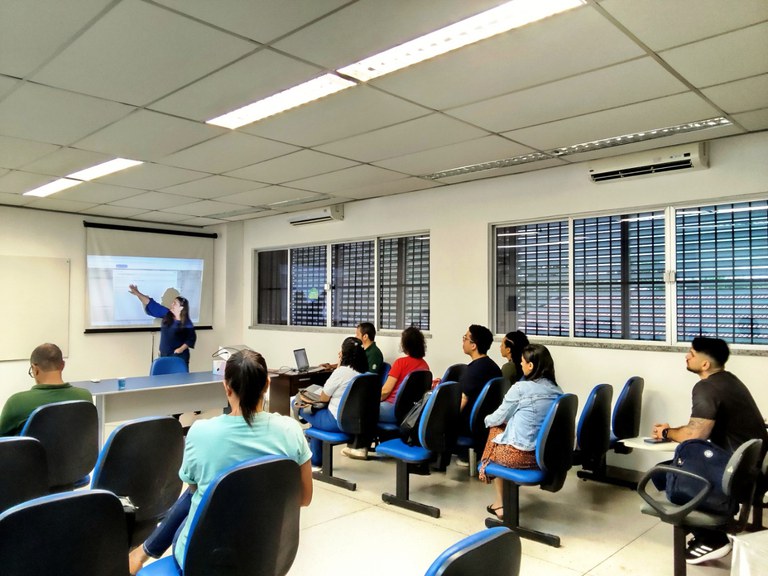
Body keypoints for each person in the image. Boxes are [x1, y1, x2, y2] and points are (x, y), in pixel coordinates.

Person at [128, 349, 312, 574]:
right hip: (266, 553)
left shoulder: (201, 432)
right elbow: (304, 498)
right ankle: (143, 551)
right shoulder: (291, 430)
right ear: (267, 384)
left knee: (196, 493)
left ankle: (142, 552)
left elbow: (195, 491)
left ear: (226, 387)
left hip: (204, 559)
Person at [651, 337, 768, 565]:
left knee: (661, 473)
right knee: (668, 469)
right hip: (751, 471)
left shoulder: (706, 386)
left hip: (735, 475)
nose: (686, 356)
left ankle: (712, 538)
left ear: (705, 365)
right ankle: (712, 528)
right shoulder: (729, 381)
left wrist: (666, 433)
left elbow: (695, 435)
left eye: (692, 353)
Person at [479, 344, 562, 521]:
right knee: (502, 431)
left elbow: (496, 418)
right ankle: (500, 499)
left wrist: (483, 420)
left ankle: (500, 502)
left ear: (530, 366)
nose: (521, 365)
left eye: (522, 362)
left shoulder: (520, 388)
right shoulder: (557, 391)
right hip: (543, 456)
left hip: (519, 457)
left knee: (495, 429)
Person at [294, 337, 369, 467]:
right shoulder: (365, 374)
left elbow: (323, 398)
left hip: (335, 421)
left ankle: (314, 457)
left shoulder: (341, 372)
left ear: (345, 354)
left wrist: (339, 366)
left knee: (297, 403)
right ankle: (313, 448)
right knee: (317, 412)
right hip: (355, 422)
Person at [0, 343, 92, 436]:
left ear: (35, 369)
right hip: (73, 451)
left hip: (33, 451)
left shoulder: (17, 403)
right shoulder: (85, 397)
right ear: (63, 365)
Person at [128, 284, 196, 366]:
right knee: (163, 377)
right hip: (163, 356)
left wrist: (180, 349)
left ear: (181, 308)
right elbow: (150, 303)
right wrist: (137, 293)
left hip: (178, 357)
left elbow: (191, 339)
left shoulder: (186, 323)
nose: (172, 305)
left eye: (175, 303)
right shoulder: (167, 314)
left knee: (178, 378)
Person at [377, 326, 429, 425]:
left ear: (405, 345)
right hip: (411, 412)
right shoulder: (425, 366)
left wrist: (370, 400)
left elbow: (385, 392)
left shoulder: (400, 363)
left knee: (362, 408)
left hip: (392, 409)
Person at [458, 325, 502, 437]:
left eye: (465, 338)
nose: (463, 341)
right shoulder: (493, 367)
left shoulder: (473, 371)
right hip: (485, 422)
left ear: (473, 345)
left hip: (469, 425)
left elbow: (462, 402)